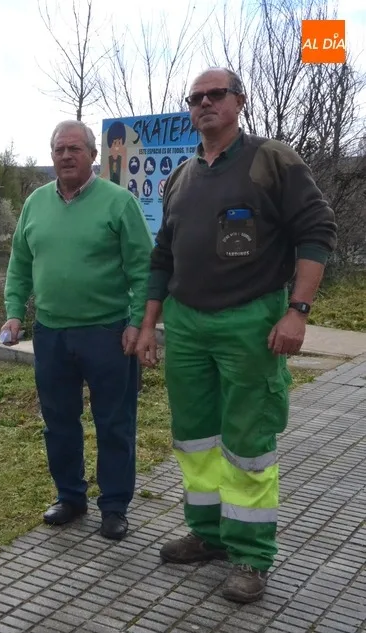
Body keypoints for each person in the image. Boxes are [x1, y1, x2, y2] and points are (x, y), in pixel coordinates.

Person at [135, 68, 337, 603]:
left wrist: (298, 312)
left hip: (250, 322)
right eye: (195, 97)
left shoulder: (272, 160)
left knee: (247, 443)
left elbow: (317, 231)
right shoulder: (180, 177)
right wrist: (150, 324)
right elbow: (162, 257)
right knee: (195, 439)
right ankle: (208, 535)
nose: (204, 103)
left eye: (215, 94)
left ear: (239, 102)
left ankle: (250, 554)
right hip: (186, 325)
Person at [1, 120, 153, 541]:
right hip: (51, 334)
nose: (66, 156)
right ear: (52, 156)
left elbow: (144, 269)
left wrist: (138, 323)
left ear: (93, 155)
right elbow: (20, 265)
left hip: (109, 333)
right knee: (59, 421)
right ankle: (70, 497)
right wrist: (14, 313)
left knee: (115, 423)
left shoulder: (119, 203)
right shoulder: (35, 204)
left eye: (75, 149)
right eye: (59, 150)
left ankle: (115, 507)